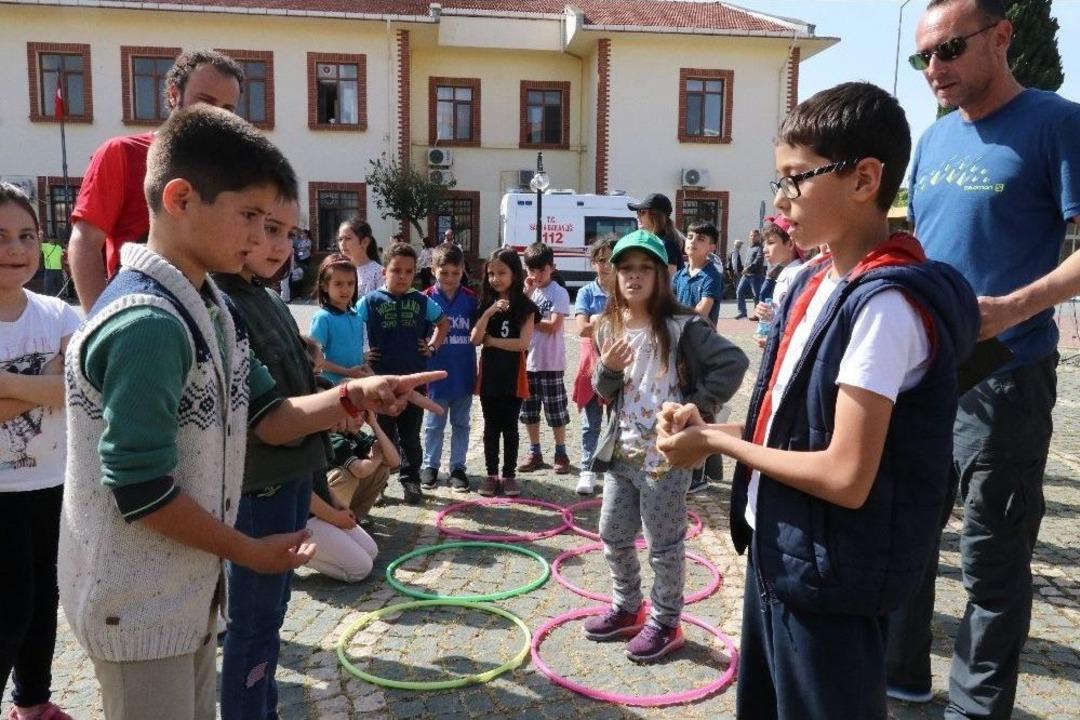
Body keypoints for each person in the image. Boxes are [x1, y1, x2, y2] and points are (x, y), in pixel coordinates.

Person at [56, 106, 446, 720]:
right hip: (135, 604)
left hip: (184, 591)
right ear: (181, 199)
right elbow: (140, 489)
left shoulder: (209, 304)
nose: (264, 238)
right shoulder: (148, 324)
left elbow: (270, 414)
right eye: (250, 217)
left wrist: (357, 395)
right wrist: (247, 550)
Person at [655, 82, 979, 719]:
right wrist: (710, 424)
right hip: (780, 549)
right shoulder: (812, 279)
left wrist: (714, 443)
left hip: (833, 574)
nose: (781, 201)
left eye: (797, 179)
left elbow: (845, 475)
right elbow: (790, 424)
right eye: (779, 180)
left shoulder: (884, 307)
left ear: (864, 179)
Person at [887, 1, 1080, 716]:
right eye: (923, 57)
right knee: (906, 533)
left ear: (1001, 37)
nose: (933, 68)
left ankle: (974, 710)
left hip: (1006, 375)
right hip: (922, 373)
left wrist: (1014, 307)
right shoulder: (935, 139)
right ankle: (901, 676)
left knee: (991, 558)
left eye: (949, 49)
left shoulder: (1058, 124)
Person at [582, 229, 747, 663]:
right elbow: (603, 392)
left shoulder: (682, 325)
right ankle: (627, 607)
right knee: (613, 533)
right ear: (614, 275)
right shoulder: (607, 325)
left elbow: (733, 362)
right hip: (622, 453)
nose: (634, 277)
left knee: (664, 543)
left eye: (645, 268)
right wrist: (607, 368)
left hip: (666, 457)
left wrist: (696, 407)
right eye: (626, 269)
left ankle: (666, 622)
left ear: (661, 275)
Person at [212, 194, 331, 719]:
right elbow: (266, 416)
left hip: (294, 473)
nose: (276, 245)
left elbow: (288, 379)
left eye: (288, 234)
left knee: (272, 611)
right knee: (254, 619)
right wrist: (349, 400)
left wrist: (311, 365)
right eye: (265, 227)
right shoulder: (220, 301)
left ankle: (265, 707)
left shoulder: (267, 296)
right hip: (260, 484)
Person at [68, 49, 243, 311]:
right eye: (205, 101)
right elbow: (85, 242)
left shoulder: (228, 171)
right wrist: (102, 320)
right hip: (139, 309)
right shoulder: (122, 153)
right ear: (174, 94)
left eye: (227, 108)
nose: (216, 114)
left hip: (204, 315)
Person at [0, 184, 80, 720]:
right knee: (9, 610)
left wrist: (6, 383)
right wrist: (46, 380)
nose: (16, 249)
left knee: (43, 602)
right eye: (1, 237)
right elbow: (60, 386)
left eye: (26, 235)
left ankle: (32, 703)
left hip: (52, 484)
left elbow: (81, 386)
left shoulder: (58, 315)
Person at [355, 243, 449, 505]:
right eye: (396, 270)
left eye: (409, 271)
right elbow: (352, 323)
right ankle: (379, 483)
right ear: (384, 271)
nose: (402, 276)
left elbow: (443, 323)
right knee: (381, 434)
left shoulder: (421, 301)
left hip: (413, 381)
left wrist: (432, 346)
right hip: (379, 381)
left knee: (410, 435)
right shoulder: (371, 301)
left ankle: (411, 481)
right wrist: (362, 353)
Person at [471, 247, 539, 498]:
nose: (495, 278)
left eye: (502, 273)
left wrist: (493, 341)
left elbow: (522, 344)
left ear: (515, 274)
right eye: (491, 273)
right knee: (491, 428)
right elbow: (475, 339)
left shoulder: (525, 306)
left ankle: (509, 475)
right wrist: (488, 313)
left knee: (510, 428)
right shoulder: (484, 303)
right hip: (489, 377)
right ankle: (491, 475)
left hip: (513, 377)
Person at [420, 242, 478, 493]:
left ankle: (457, 468)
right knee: (434, 423)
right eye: (444, 272)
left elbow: (479, 332)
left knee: (461, 423)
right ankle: (430, 465)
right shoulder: (424, 298)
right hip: (436, 372)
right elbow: (419, 334)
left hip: (463, 371)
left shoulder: (471, 299)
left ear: (463, 270)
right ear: (433, 270)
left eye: (455, 272)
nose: (450, 278)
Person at [515, 242, 572, 475]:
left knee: (556, 411)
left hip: (551, 362)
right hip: (528, 362)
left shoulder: (559, 292)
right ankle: (535, 451)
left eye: (542, 270)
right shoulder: (528, 292)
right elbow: (515, 317)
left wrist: (530, 318)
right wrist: (526, 295)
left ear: (552, 268)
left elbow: (554, 325)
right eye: (532, 270)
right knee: (529, 412)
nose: (536, 275)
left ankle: (561, 451)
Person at [571, 235, 616, 495]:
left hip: (620, 366)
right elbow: (582, 328)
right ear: (593, 263)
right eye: (600, 260)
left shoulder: (624, 291)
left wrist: (598, 320)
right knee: (591, 423)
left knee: (618, 423)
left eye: (611, 260)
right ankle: (587, 469)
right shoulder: (586, 292)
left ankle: (614, 471)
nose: (606, 265)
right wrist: (603, 319)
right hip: (592, 365)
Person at [309, 254, 368, 386]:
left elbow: (356, 352)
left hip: (356, 384)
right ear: (325, 286)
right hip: (333, 387)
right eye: (338, 284)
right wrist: (347, 372)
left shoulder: (357, 316)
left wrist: (365, 364)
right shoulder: (323, 318)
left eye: (350, 283)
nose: (345, 289)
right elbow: (315, 359)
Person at [753, 216, 807, 349]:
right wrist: (767, 313)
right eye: (764, 244)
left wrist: (773, 323)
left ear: (790, 244)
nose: (764, 249)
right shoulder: (786, 272)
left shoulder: (798, 274)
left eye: (770, 243)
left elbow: (798, 320)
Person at [671, 221, 725, 325]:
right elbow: (669, 305)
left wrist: (677, 315)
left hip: (701, 333)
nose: (693, 241)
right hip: (679, 331)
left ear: (712, 247)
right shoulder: (679, 275)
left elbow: (701, 313)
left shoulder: (711, 276)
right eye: (690, 237)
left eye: (700, 239)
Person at [627, 193, 684, 274]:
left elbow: (670, 279)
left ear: (655, 216)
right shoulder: (653, 241)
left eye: (642, 212)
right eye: (637, 212)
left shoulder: (666, 245)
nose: (637, 217)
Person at [336, 216, 383, 299]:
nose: (342, 244)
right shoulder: (337, 270)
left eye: (348, 238)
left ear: (364, 242)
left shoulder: (378, 273)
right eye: (340, 239)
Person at [734, 229, 764, 319]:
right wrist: (744, 269)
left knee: (756, 295)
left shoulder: (760, 248)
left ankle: (757, 314)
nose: (752, 237)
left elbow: (758, 260)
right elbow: (747, 260)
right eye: (751, 236)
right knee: (739, 291)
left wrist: (748, 268)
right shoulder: (749, 248)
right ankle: (742, 312)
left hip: (755, 275)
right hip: (746, 275)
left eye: (755, 236)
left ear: (759, 237)